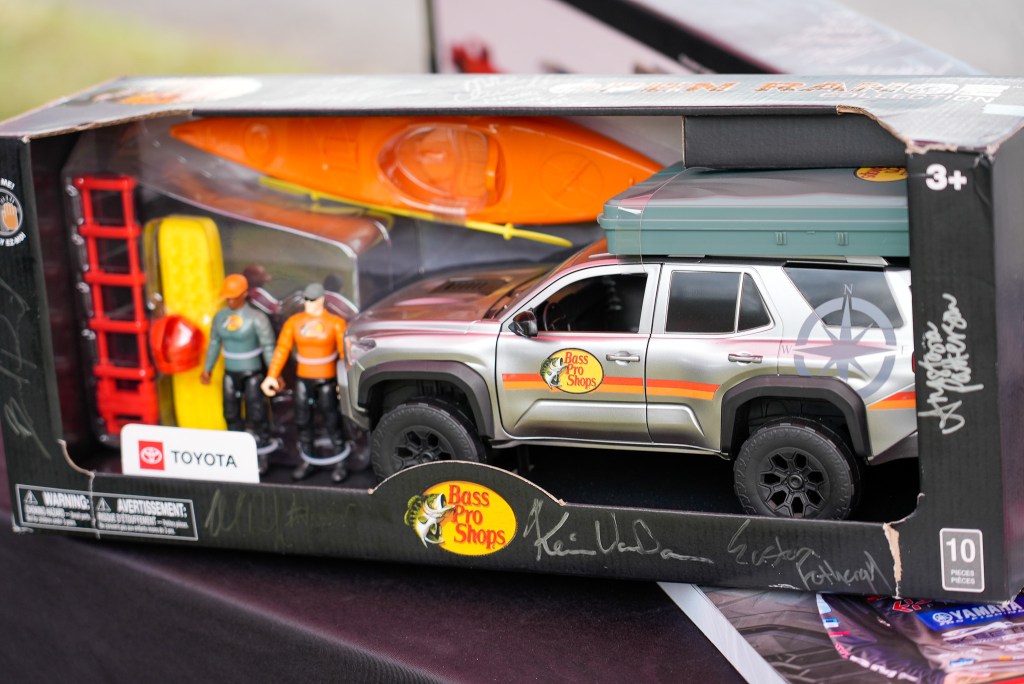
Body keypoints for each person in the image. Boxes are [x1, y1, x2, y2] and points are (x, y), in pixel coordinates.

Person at [261, 283, 350, 482]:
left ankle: (341, 462)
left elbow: (345, 355)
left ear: (322, 300)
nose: (309, 303)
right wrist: (272, 375)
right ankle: (307, 459)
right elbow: (282, 349)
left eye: (313, 299)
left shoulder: (335, 323)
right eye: (307, 299)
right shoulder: (294, 322)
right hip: (303, 378)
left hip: (327, 379)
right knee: (302, 420)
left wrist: (344, 381)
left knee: (332, 419)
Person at [200, 274, 277, 473]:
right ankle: (235, 452)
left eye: (233, 297)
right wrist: (207, 368)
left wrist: (274, 374)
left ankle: (262, 453)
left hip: (252, 372)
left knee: (257, 413)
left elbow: (268, 347)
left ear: (244, 294)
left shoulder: (256, 318)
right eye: (227, 297)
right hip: (230, 371)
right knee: (230, 413)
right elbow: (214, 343)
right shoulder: (220, 317)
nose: (230, 301)